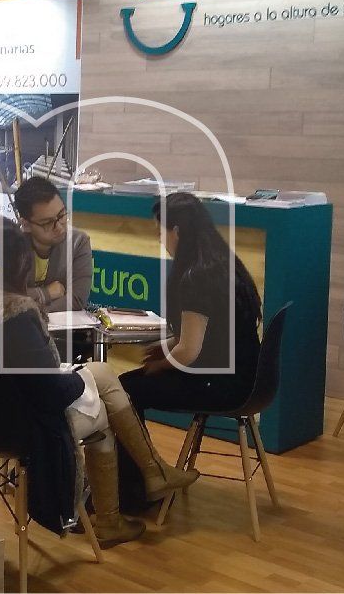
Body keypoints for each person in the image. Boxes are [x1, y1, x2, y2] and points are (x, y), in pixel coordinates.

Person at [0, 215, 198, 548]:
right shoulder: (15, 315)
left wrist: (74, 375)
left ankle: (152, 473)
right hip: (24, 428)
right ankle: (113, 516)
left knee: (101, 375)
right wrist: (79, 382)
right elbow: (50, 393)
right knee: (103, 403)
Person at [116, 191, 263, 509]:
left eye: (160, 230)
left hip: (221, 385)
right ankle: (148, 476)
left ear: (177, 231)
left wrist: (159, 363)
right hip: (247, 377)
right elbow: (204, 336)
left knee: (122, 391)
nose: (159, 239)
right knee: (127, 386)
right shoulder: (222, 262)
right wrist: (163, 349)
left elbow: (189, 351)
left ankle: (137, 490)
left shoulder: (196, 277)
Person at [12, 175, 92, 311]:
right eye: (47, 223)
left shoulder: (78, 242)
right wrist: (46, 293)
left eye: (62, 215)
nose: (59, 227)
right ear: (26, 225)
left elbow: (77, 299)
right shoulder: (11, 245)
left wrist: (32, 306)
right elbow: (5, 298)